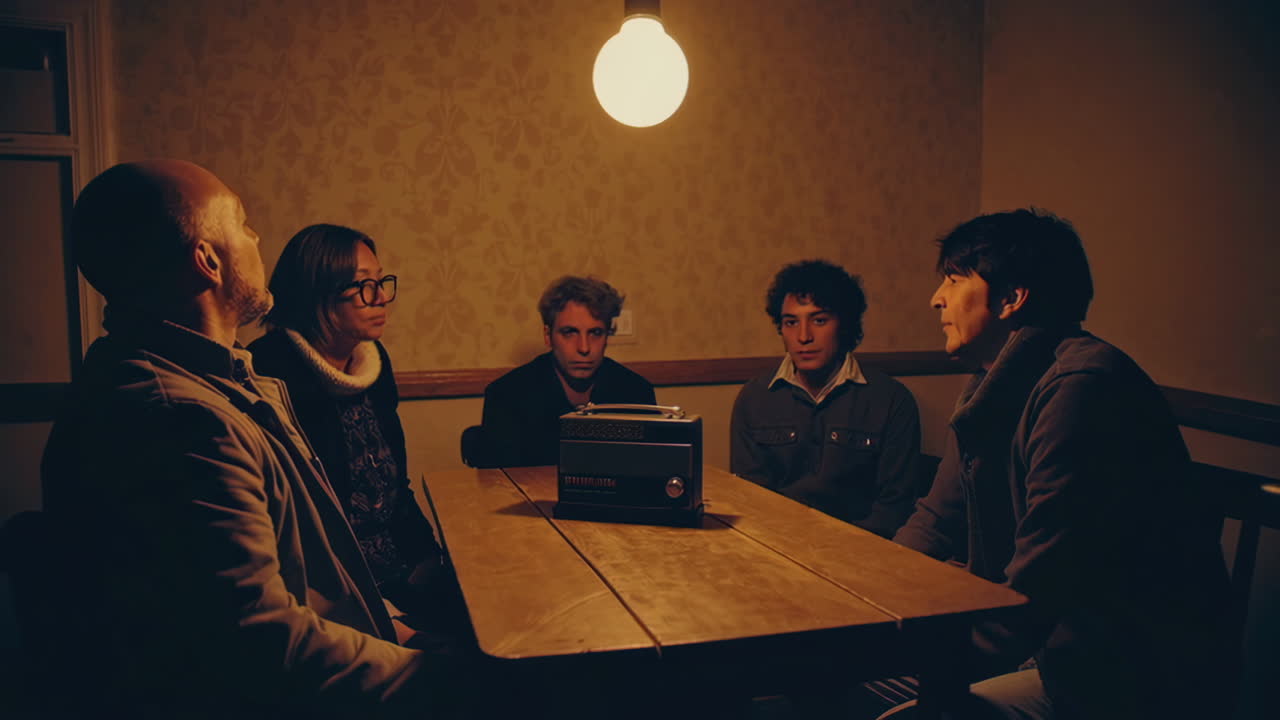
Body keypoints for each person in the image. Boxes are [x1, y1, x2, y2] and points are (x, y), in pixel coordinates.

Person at [41, 160, 459, 717]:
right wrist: (448, 679)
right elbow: (262, 645)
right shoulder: (177, 420)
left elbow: (314, 573)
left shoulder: (227, 383)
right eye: (242, 223)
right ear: (207, 261)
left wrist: (395, 625)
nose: (258, 237)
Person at [885, 209, 1236, 719]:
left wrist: (908, 652)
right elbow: (937, 520)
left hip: (1133, 680)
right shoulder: (992, 382)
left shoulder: (1083, 385)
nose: (936, 298)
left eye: (955, 279)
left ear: (1011, 297)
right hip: (1064, 658)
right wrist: (864, 602)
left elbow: (1040, 585)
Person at [248, 224, 462, 643]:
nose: (381, 297)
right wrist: (383, 616)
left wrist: (431, 560)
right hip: (336, 594)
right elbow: (293, 533)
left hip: (399, 571)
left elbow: (394, 488)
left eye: (380, 281)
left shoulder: (371, 362)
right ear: (318, 293)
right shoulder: (271, 373)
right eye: (364, 286)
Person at [730, 260, 924, 537]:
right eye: (791, 322)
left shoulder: (891, 400)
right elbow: (750, 501)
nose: (804, 336)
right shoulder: (755, 398)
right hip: (779, 548)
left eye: (819, 320)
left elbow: (894, 508)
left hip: (864, 551)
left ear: (844, 324)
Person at [479, 275, 655, 467]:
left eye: (595, 333)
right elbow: (499, 487)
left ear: (606, 336)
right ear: (548, 336)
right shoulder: (507, 396)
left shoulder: (636, 393)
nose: (584, 347)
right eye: (570, 333)